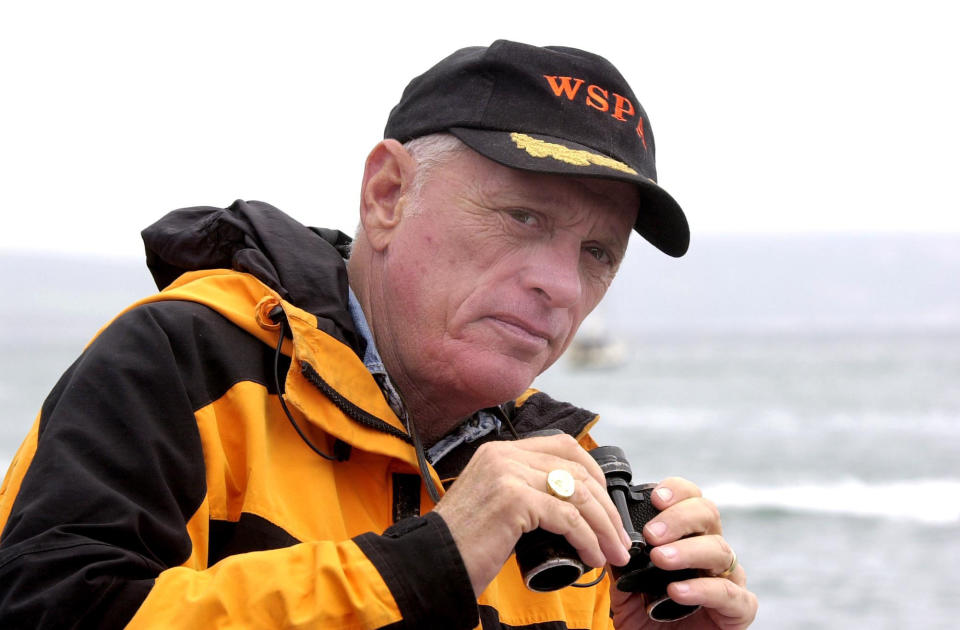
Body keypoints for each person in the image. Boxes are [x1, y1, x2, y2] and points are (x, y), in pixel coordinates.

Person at [0, 40, 758, 628]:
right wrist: (420, 568)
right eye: (525, 218)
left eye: (598, 254)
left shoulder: (575, 491)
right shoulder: (181, 365)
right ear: (387, 194)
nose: (561, 285)